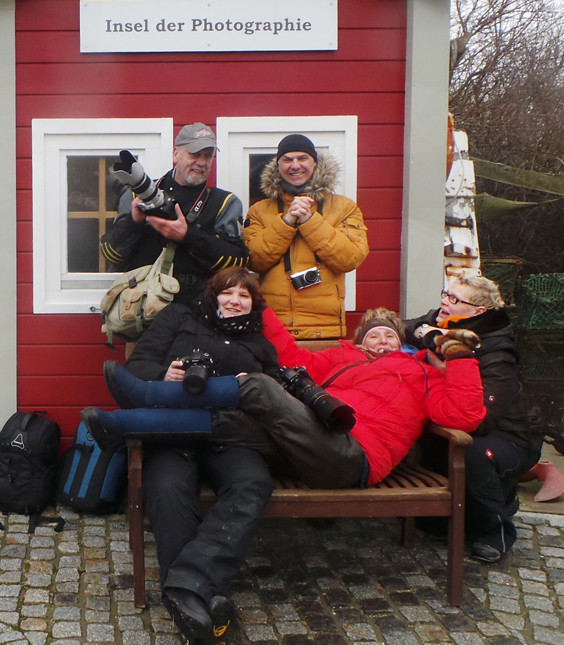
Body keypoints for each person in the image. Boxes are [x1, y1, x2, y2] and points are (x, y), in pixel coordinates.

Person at [83, 267, 280, 645]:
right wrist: (164, 376)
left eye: (245, 295)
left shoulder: (260, 343)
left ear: (254, 305)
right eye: (228, 292)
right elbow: (137, 369)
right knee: (168, 490)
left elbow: (274, 394)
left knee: (253, 483)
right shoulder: (178, 318)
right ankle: (197, 603)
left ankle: (185, 586)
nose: (235, 300)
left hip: (230, 439)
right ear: (212, 293)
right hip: (171, 437)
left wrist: (248, 386)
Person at [85, 305, 487, 494]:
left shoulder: (422, 373)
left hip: (354, 455)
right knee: (231, 423)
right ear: (359, 341)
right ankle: (121, 426)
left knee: (257, 386)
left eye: (390, 336)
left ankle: (149, 395)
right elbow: (293, 359)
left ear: (403, 344)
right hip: (314, 441)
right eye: (373, 335)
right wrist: (260, 305)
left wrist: (460, 356)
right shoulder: (341, 358)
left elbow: (465, 414)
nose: (382, 341)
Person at [404, 274, 544, 563]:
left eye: (454, 299)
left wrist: (448, 371)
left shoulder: (497, 353)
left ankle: (496, 531)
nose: (445, 300)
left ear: (478, 311)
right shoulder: (442, 319)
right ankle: (452, 515)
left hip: (510, 438)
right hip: (458, 423)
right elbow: (406, 326)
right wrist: (428, 334)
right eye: (445, 293)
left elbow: (480, 418)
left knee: (474, 452)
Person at [101, 122, 249, 306]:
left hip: (197, 314)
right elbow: (111, 254)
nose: (202, 162)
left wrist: (187, 235)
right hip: (143, 311)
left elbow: (236, 261)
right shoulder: (137, 194)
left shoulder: (225, 202)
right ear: (175, 154)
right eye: (194, 154)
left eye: (208, 156)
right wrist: (134, 222)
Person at [243, 133, 369, 339]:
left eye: (302, 158)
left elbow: (350, 257)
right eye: (287, 159)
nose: (295, 165)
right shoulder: (259, 210)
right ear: (277, 165)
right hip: (273, 327)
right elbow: (254, 260)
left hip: (324, 329)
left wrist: (310, 220)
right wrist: (287, 221)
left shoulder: (344, 207)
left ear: (315, 163)